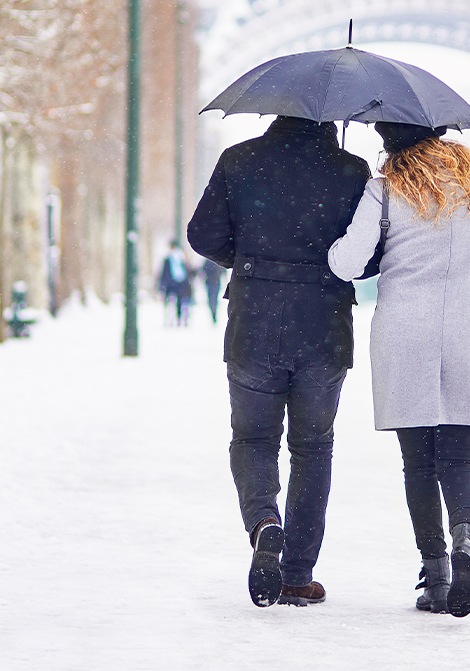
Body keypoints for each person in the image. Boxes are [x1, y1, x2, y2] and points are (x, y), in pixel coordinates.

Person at [187, 115, 370, 608]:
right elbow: (368, 256)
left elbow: (202, 235)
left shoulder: (239, 159)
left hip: (254, 319)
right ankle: (296, 574)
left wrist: (251, 262)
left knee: (252, 438)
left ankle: (265, 522)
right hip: (323, 326)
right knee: (313, 449)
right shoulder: (352, 171)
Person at [326, 122, 470, 618]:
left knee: (419, 463)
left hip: (404, 332)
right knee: (461, 459)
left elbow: (347, 263)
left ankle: (437, 575)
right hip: (465, 331)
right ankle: (466, 537)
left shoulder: (384, 190)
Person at [157, 240, 193, 326]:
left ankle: (171, 320)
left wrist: (161, 284)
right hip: (181, 284)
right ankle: (180, 319)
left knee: (170, 303)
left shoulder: (168, 258)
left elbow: (164, 273)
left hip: (171, 284)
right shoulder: (182, 258)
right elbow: (188, 271)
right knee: (181, 302)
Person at [201, 258, 225, 324]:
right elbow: (223, 271)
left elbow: (203, 270)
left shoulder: (208, 261)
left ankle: (213, 310)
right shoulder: (218, 261)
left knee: (211, 299)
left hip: (210, 282)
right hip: (216, 282)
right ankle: (214, 310)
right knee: (214, 298)